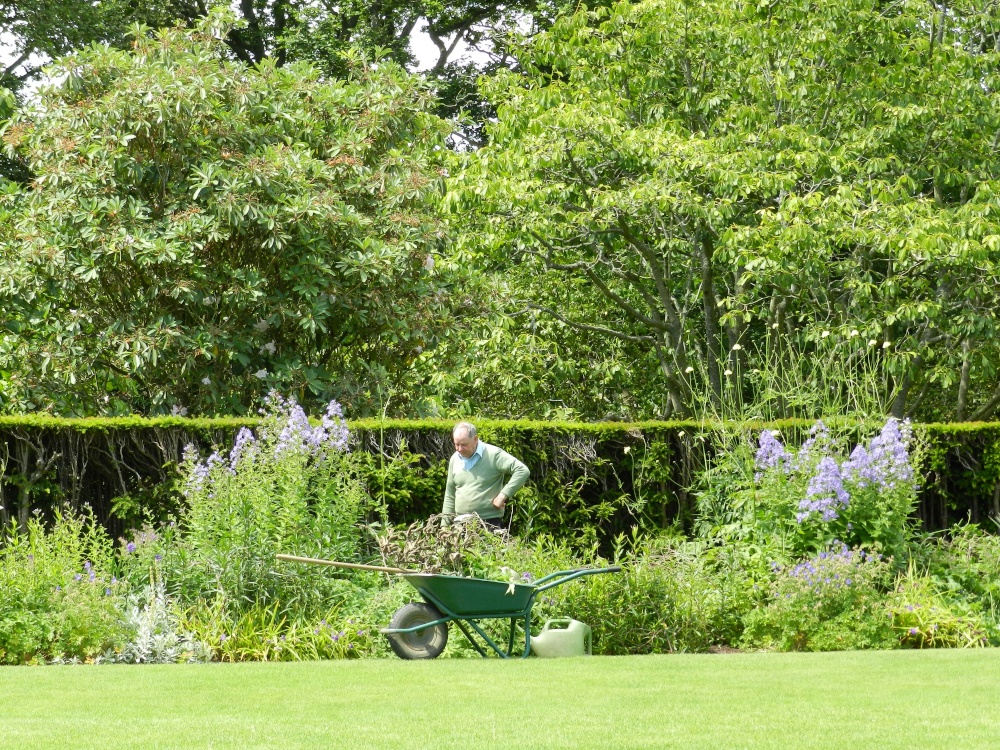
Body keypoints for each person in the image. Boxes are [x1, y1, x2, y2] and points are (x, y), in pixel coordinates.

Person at [442, 421, 529, 529]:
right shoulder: (455, 459)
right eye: (456, 444)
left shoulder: (493, 454)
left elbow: (522, 470)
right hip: (461, 524)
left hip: (489, 524)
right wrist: (444, 527)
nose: (459, 449)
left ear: (475, 439)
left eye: (464, 445)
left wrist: (503, 496)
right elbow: (450, 494)